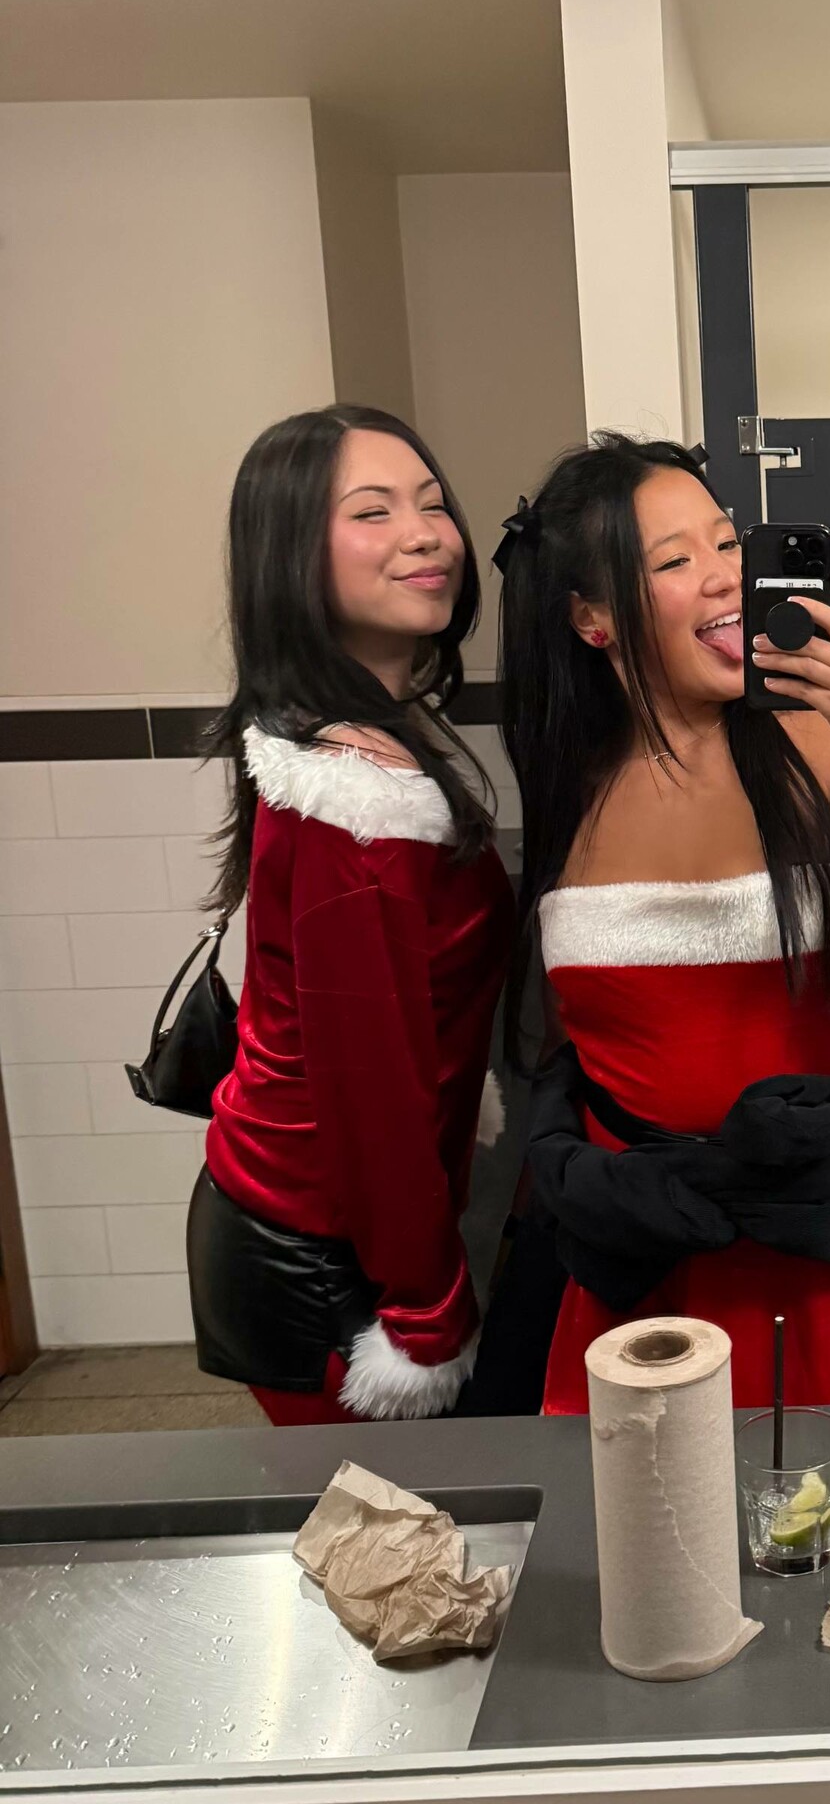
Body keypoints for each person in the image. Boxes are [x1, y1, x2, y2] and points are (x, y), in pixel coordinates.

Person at [494, 434, 830, 1413]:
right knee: (642, 1504)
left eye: (727, 543)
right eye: (674, 560)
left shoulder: (822, 742)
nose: (723, 576)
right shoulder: (567, 783)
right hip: (635, 1268)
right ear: (592, 618)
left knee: (821, 1498)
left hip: (817, 1257)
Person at [186, 405, 515, 1424]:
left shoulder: (367, 734)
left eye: (431, 504)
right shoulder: (350, 795)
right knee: (384, 1525)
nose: (425, 535)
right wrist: (427, 1318)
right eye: (373, 512)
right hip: (320, 1256)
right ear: (291, 554)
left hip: (328, 1220)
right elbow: (370, 1092)